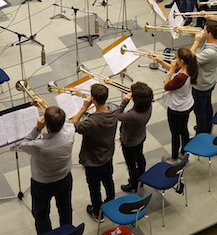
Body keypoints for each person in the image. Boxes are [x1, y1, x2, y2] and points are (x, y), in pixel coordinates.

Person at [19, 98, 75, 235]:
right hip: (64, 178)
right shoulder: (70, 131)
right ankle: (67, 232)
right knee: (65, 208)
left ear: (46, 126)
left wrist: (37, 129)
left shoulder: (39, 146)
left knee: (41, 215)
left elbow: (23, 144)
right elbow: (64, 120)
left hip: (42, 184)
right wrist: (44, 105)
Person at [71, 84, 120, 223]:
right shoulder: (114, 109)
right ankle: (111, 202)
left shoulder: (91, 122)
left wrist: (83, 107)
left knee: (94, 187)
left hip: (93, 160)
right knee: (108, 180)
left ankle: (98, 212)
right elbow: (101, 109)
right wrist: (82, 95)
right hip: (108, 154)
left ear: (92, 99)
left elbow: (73, 125)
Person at [149, 48, 198, 164]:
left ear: (181, 60)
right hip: (187, 104)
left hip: (177, 108)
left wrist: (170, 72)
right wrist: (160, 61)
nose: (174, 59)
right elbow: (176, 69)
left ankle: (174, 158)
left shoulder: (181, 77)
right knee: (184, 128)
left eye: (176, 58)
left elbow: (167, 86)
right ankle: (183, 152)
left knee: (175, 133)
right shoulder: (188, 68)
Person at [115, 82, 153, 193]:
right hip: (141, 136)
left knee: (131, 164)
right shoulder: (148, 105)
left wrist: (125, 101)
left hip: (130, 142)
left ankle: (133, 183)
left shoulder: (133, 115)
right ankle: (142, 177)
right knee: (140, 157)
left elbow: (116, 115)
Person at [190, 20, 217, 134]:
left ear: (210, 34)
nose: (202, 31)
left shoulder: (209, 52)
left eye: (204, 30)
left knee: (199, 111)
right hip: (210, 81)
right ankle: (207, 127)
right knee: (207, 106)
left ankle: (201, 133)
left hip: (202, 84)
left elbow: (190, 59)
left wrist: (196, 42)